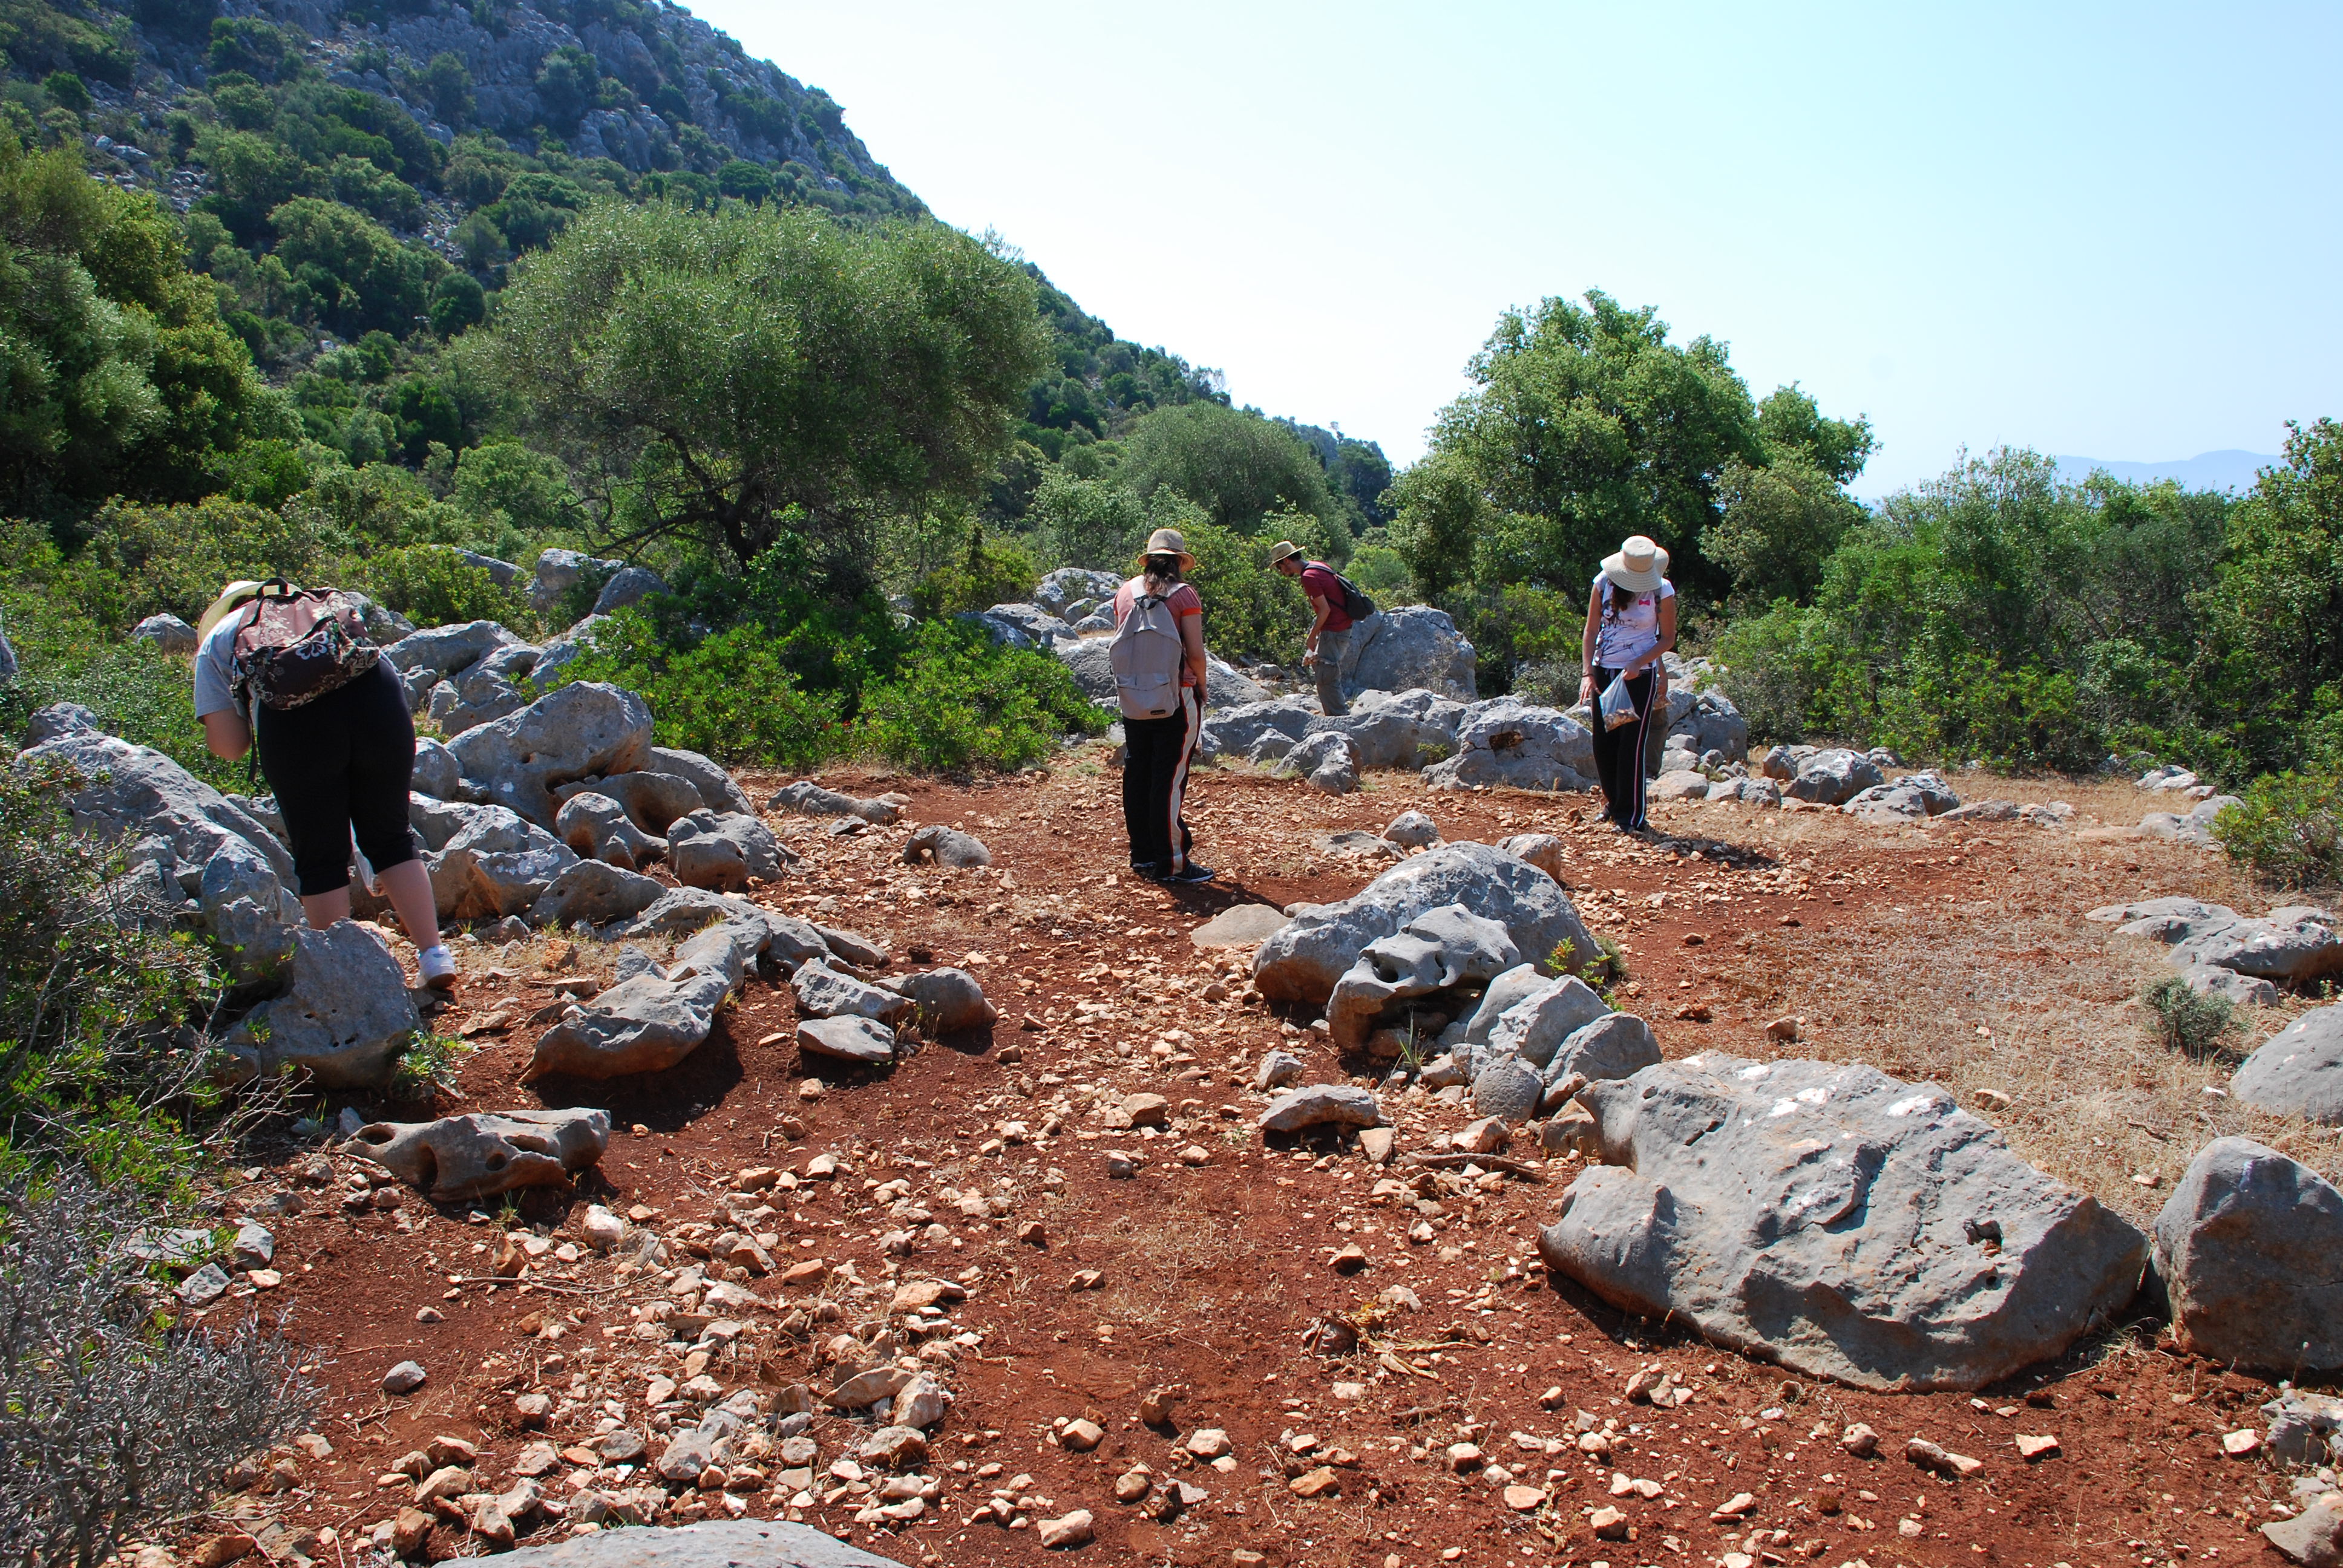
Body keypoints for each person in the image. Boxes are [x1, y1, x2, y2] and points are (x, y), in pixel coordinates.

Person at [192, 580, 458, 988]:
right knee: (390, 835)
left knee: (321, 858)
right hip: (379, 700)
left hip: (296, 728)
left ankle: (347, 982)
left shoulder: (218, 639)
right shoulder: (320, 607)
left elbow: (231, 746)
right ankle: (435, 955)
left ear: (228, 608)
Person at [1112, 529, 1215, 884]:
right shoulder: (1184, 594)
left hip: (1133, 699)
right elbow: (1197, 654)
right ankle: (1172, 863)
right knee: (1168, 779)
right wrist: (1201, 688)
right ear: (1178, 562)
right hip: (1175, 698)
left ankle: (1141, 855)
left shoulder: (1125, 592)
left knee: (1137, 773)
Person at [1578, 535, 1677, 834]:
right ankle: (1613, 801)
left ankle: (1630, 815)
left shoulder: (1662, 590)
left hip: (1638, 674)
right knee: (1604, 743)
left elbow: (1668, 638)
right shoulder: (1603, 583)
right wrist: (1587, 672)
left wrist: (1641, 663)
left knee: (1630, 745)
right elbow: (1592, 628)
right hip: (1605, 669)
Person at [1267, 539, 1357, 717]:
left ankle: (1340, 720)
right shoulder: (1318, 566)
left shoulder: (1309, 577)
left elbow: (1325, 610)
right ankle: (1338, 716)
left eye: (1279, 567)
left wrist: (1312, 636)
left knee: (1326, 676)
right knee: (1325, 673)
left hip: (1334, 630)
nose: (1281, 572)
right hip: (1341, 627)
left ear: (1286, 562)